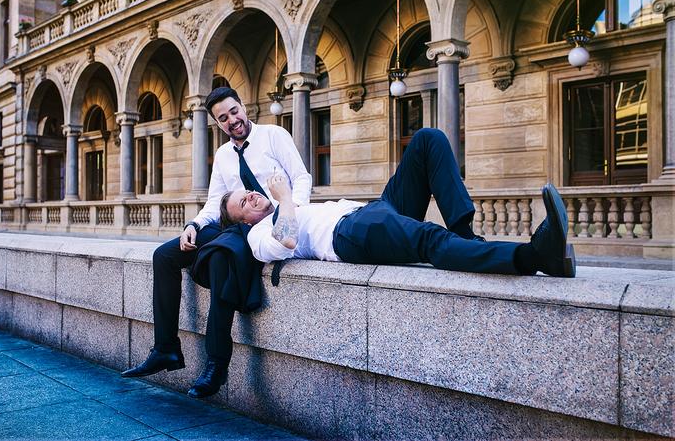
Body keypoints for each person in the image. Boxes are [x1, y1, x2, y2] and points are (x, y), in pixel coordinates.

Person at [121, 87, 312, 399]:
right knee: (165, 255)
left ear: (243, 106)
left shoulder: (274, 135)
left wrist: (291, 212)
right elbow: (215, 202)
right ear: (217, 122)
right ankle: (165, 348)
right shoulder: (223, 155)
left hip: (267, 224)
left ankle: (217, 364)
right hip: (233, 226)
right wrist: (193, 225)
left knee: (223, 257)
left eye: (234, 111)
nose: (232, 120)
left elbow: (302, 177)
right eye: (223, 118)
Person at [221, 128, 576, 278]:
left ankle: (465, 232)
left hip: (371, 210)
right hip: (351, 234)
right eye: (243, 203)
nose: (250, 194)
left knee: (427, 140)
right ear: (244, 222)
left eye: (246, 192)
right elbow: (286, 241)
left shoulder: (285, 207)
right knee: (429, 239)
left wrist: (287, 199)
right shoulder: (258, 237)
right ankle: (535, 257)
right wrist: (284, 198)